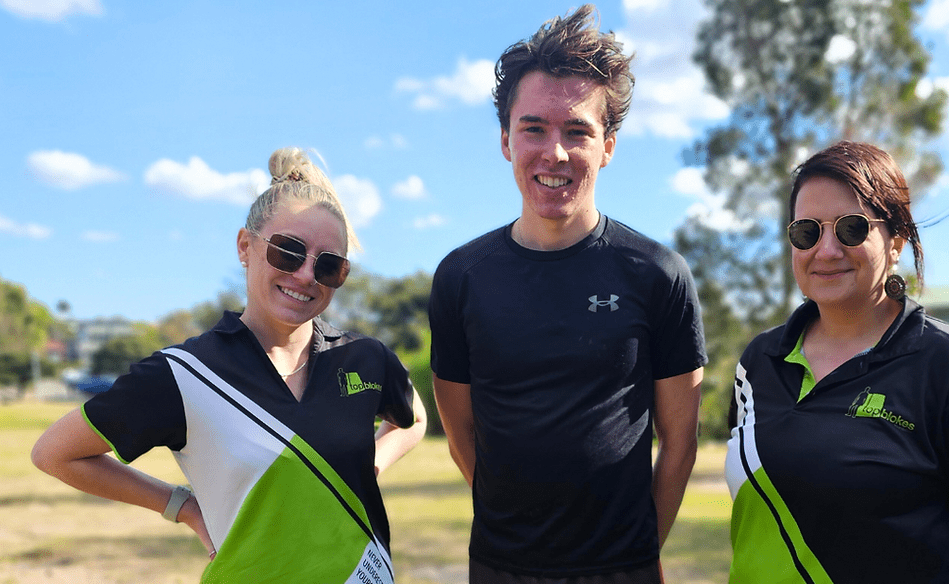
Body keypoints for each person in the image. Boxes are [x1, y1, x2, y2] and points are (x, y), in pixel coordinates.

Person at [32, 147, 427, 584]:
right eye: (288, 251)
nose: (305, 275)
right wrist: (181, 506)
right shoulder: (185, 373)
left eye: (329, 266)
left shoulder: (365, 358)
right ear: (245, 246)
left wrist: (369, 466)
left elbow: (414, 419)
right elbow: (55, 454)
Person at [429, 5, 706, 583]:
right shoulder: (461, 277)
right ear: (506, 140)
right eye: (533, 128)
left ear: (608, 146)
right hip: (500, 569)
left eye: (577, 131)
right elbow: (461, 436)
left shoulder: (658, 274)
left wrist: (636, 550)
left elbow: (680, 441)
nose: (554, 152)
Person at [723, 141, 949, 583]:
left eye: (851, 228)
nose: (827, 250)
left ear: (896, 241)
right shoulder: (759, 361)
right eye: (807, 231)